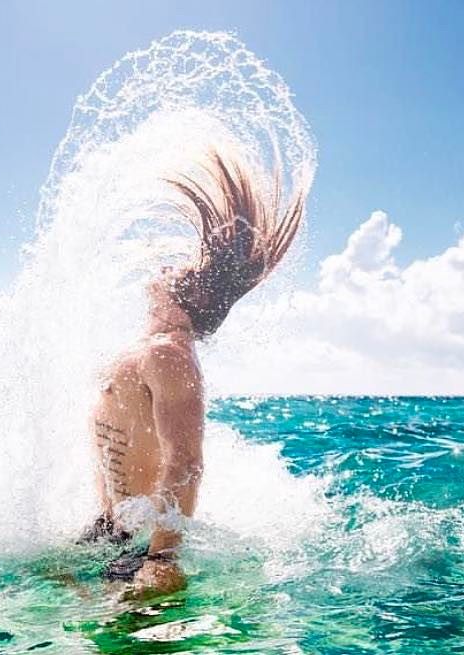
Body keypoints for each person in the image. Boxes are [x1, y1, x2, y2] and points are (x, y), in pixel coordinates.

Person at [82, 149, 305, 595]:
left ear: (193, 293)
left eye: (178, 268)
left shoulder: (170, 355)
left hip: (142, 549)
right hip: (112, 537)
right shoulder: (147, 350)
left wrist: (161, 559)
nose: (165, 269)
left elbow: (186, 461)